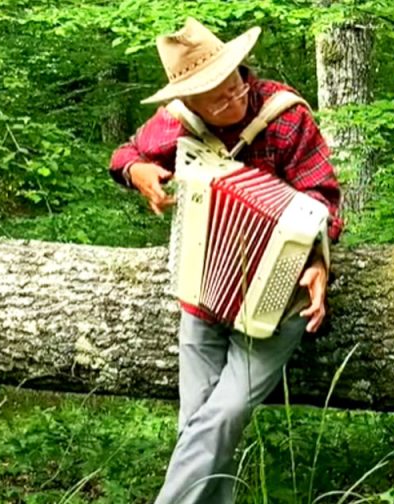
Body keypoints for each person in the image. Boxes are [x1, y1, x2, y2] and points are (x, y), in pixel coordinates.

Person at [107, 18, 343, 504]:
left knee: (225, 412)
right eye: (214, 98)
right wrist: (139, 171)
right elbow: (125, 153)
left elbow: (323, 198)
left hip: (280, 298)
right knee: (195, 419)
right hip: (203, 291)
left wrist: (319, 260)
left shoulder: (284, 114)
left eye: (234, 85)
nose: (232, 101)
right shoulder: (178, 123)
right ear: (188, 101)